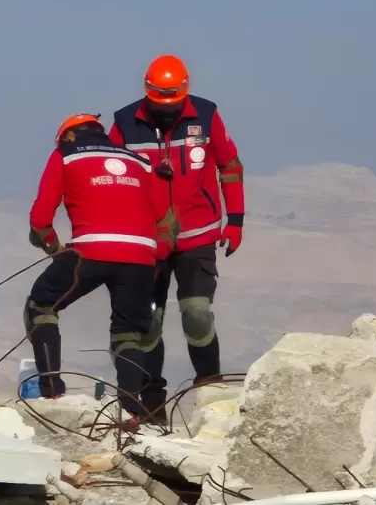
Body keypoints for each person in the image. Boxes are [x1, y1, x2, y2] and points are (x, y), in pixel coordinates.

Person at [108, 54, 245, 422]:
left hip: (197, 234)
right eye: (159, 103)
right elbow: (110, 181)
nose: (166, 110)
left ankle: (211, 394)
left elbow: (229, 165)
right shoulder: (124, 123)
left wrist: (236, 219)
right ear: (147, 94)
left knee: (197, 314)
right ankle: (153, 410)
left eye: (173, 102)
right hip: (147, 241)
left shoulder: (205, 114)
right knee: (149, 322)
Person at [26, 113, 165, 420]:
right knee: (129, 331)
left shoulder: (65, 155)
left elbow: (39, 221)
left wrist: (55, 249)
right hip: (140, 255)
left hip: (90, 250)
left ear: (69, 136)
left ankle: (52, 392)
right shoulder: (139, 161)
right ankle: (131, 410)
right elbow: (163, 213)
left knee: (42, 305)